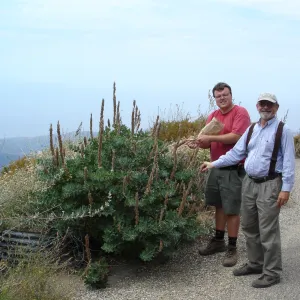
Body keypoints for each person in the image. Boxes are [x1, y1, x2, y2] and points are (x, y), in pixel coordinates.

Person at [200, 92, 295, 288]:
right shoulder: (252, 129)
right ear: (257, 106)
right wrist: (213, 164)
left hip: (270, 184)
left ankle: (272, 272)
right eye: (262, 104)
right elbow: (236, 153)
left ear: (276, 107)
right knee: (250, 227)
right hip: (249, 183)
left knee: (268, 230)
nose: (265, 108)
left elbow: (288, 163)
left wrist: (285, 189)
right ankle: (255, 263)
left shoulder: (282, 131)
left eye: (270, 105)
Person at [186, 82, 251, 267]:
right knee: (219, 205)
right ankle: (218, 241)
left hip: (233, 168)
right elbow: (207, 143)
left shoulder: (240, 113)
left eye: (225, 95)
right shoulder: (213, 116)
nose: (222, 98)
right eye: (218, 96)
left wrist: (210, 138)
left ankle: (232, 247)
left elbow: (237, 137)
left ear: (231, 95)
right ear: (214, 98)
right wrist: (199, 143)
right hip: (215, 166)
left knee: (231, 208)